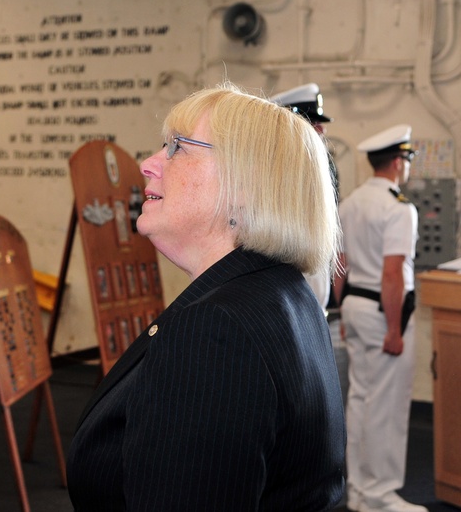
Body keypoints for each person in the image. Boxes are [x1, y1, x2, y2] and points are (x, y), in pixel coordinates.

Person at [67, 82, 346, 511]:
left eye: (177, 147)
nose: (147, 164)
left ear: (245, 184)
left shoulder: (218, 331)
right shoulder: (281, 291)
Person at [335, 125, 424, 512]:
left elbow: (339, 266)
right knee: (385, 404)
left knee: (360, 399)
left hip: (354, 306)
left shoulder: (349, 204)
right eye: (406, 159)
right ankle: (380, 494)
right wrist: (393, 328)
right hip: (383, 311)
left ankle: (357, 489)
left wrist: (344, 311)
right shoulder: (398, 207)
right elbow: (393, 274)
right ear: (398, 162)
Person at [272, 82, 338, 310]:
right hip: (291, 300)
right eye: (314, 124)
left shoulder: (313, 172)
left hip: (310, 300)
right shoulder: (276, 174)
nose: (322, 131)